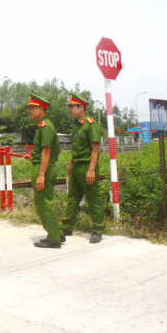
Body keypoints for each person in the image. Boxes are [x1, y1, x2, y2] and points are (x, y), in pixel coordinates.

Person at [61, 93, 106, 243]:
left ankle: (98, 230)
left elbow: (95, 149)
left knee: (93, 198)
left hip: (87, 166)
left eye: (72, 107)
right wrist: (71, 163)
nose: (70, 110)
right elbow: (77, 148)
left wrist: (91, 169)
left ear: (81, 107)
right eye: (69, 107)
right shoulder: (76, 125)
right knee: (73, 198)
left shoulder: (91, 124)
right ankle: (67, 226)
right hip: (76, 166)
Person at [27, 94, 64, 248]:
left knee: (44, 203)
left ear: (40, 109)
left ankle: (54, 239)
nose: (29, 111)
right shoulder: (42, 126)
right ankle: (56, 233)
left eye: (31, 108)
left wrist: (41, 174)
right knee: (44, 202)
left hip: (45, 169)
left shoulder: (46, 127)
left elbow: (46, 152)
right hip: (43, 167)